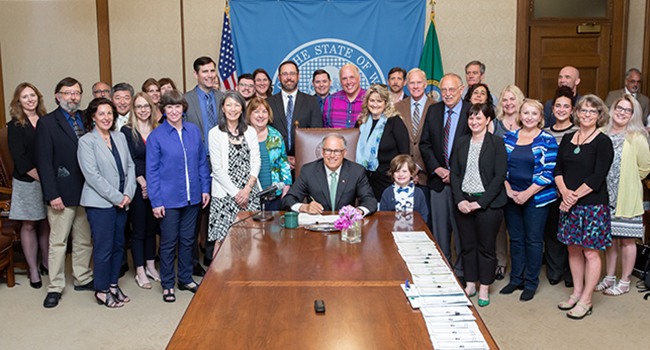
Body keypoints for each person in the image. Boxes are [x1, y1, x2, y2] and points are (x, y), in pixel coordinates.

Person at [147, 90, 211, 302]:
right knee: (168, 242)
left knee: (187, 240)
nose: (174, 111)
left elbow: (202, 161)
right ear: (163, 110)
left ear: (183, 109)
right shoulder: (156, 136)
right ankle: (167, 283)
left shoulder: (193, 131)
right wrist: (156, 201)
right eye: (169, 107)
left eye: (177, 107)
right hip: (169, 199)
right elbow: (152, 172)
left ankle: (185, 278)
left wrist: (205, 188)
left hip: (192, 196)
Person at [36, 77, 94, 308]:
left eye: (76, 93)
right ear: (58, 96)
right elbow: (43, 162)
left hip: (87, 191)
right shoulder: (47, 123)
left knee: (83, 239)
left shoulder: (86, 119)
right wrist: (52, 194)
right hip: (61, 193)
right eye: (67, 93)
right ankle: (55, 286)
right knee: (58, 242)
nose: (73, 97)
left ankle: (83, 277)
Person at [555, 95, 613, 319]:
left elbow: (598, 176)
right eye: (583, 110)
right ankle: (576, 292)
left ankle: (587, 299)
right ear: (576, 113)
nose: (587, 115)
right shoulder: (569, 138)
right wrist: (565, 193)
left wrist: (573, 196)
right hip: (569, 204)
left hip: (592, 206)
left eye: (592, 111)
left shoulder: (603, 141)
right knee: (572, 248)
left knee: (591, 252)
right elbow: (557, 170)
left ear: (599, 116)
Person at [78, 98, 135, 308]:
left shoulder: (119, 137)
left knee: (119, 245)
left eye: (109, 113)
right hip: (100, 203)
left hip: (122, 201)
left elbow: (130, 167)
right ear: (93, 117)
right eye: (101, 113)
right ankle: (101, 290)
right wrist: (118, 197)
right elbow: (92, 177)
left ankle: (113, 284)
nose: (106, 117)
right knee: (104, 248)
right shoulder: (86, 142)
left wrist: (128, 193)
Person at [450, 103, 507, 307]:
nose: (474, 122)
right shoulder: (461, 142)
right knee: (467, 246)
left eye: (479, 118)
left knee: (486, 247)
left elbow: (500, 176)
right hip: (464, 201)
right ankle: (471, 283)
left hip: (488, 204)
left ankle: (485, 286)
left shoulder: (497, 143)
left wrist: (480, 203)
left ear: (488, 120)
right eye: (471, 118)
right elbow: (454, 173)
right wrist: (460, 200)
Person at [500, 99, 558, 301]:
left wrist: (527, 193)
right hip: (511, 197)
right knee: (515, 239)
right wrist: (508, 190)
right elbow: (501, 168)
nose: (529, 117)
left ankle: (531, 283)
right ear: (520, 115)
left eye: (534, 114)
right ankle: (516, 279)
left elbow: (549, 172)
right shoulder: (509, 138)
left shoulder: (548, 140)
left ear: (540, 117)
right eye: (526, 113)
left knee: (533, 240)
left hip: (537, 198)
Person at [597, 94, 650, 296]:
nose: (622, 112)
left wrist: (627, 180)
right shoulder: (602, 132)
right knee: (609, 239)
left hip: (626, 196)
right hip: (604, 196)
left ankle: (625, 280)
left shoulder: (637, 137)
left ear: (633, 114)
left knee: (627, 240)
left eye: (627, 110)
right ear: (613, 108)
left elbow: (645, 167)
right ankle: (609, 277)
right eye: (619, 107)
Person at [419, 73, 471, 280]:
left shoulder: (471, 112)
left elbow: (475, 146)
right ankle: (444, 272)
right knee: (440, 232)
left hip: (464, 183)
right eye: (444, 90)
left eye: (452, 89)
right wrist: (437, 169)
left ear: (462, 89)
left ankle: (461, 272)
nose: (447, 94)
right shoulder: (433, 110)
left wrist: (455, 173)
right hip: (438, 181)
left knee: (462, 231)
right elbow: (425, 144)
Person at [7, 82, 50, 289]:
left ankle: (47, 263)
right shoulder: (15, 125)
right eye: (25, 97)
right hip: (28, 181)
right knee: (30, 224)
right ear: (18, 101)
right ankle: (33, 269)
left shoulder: (46, 120)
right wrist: (45, 178)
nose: (30, 99)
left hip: (48, 178)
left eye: (33, 95)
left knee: (46, 222)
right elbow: (21, 160)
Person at [184, 56, 224, 271]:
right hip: (194, 162)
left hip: (220, 162)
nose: (209, 75)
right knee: (194, 210)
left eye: (212, 71)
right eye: (205, 71)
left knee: (214, 209)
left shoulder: (224, 98)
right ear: (196, 74)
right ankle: (191, 261)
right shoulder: (186, 100)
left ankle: (211, 255)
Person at [208, 90, 262, 251]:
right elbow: (217, 169)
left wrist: (247, 190)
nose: (233, 109)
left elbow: (256, 161)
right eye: (229, 105)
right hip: (225, 194)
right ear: (223, 108)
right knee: (223, 238)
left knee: (251, 237)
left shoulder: (250, 131)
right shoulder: (215, 133)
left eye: (237, 105)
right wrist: (237, 194)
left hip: (249, 192)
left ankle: (248, 275)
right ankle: (219, 276)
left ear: (242, 108)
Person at [282, 133, 377, 215]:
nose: (332, 155)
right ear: (322, 151)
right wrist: (304, 207)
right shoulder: (308, 171)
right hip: (317, 229)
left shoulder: (357, 171)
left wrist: (358, 211)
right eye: (328, 150)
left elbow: (370, 201)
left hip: (345, 226)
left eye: (337, 151)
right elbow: (288, 200)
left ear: (344, 153)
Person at [121, 92, 160, 289]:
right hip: (136, 186)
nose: (143, 110)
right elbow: (128, 160)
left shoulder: (158, 129)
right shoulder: (126, 131)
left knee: (152, 229)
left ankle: (151, 266)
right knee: (138, 230)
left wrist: (152, 185)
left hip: (156, 185)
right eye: (139, 106)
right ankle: (139, 270)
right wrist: (142, 183)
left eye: (146, 106)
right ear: (133, 110)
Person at [543, 86, 578, 287]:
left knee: (572, 234)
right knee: (553, 232)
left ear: (572, 110)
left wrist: (567, 191)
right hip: (548, 192)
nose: (562, 109)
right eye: (558, 106)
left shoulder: (578, 133)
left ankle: (571, 274)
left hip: (571, 192)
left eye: (566, 106)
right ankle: (555, 271)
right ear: (552, 109)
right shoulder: (544, 133)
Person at [489, 85, 525, 280]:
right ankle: (501, 263)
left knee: (520, 227)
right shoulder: (494, 124)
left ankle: (521, 266)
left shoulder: (526, 122)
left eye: (512, 99)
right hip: (499, 183)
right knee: (500, 227)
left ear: (519, 101)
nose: (509, 103)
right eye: (505, 100)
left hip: (523, 185)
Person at [394, 68, 436, 225]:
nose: (415, 86)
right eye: (412, 82)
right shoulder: (397, 107)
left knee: (425, 221)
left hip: (426, 175)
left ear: (425, 84)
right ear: (406, 84)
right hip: (402, 176)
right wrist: (407, 170)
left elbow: (436, 143)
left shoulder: (436, 107)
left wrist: (417, 167)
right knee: (402, 222)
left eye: (419, 82)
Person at [355, 84, 409, 202]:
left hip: (388, 180)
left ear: (386, 103)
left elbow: (405, 154)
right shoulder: (361, 123)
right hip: (365, 180)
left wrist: (399, 177)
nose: (375, 104)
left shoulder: (394, 121)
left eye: (379, 101)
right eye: (372, 100)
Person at [267, 61, 323, 170]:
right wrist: (283, 158)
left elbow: (316, 134)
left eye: (292, 74)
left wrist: (300, 158)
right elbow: (265, 134)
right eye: (285, 74)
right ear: (279, 77)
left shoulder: (312, 101)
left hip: (305, 164)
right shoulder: (268, 103)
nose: (289, 77)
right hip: (276, 164)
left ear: (298, 76)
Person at [246, 97, 291, 210]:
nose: (261, 115)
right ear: (249, 114)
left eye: (264, 111)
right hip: (249, 195)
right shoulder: (243, 136)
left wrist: (286, 186)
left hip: (274, 195)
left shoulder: (276, 136)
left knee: (274, 227)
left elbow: (283, 162)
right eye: (256, 111)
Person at [379, 155, 428, 224]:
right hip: (392, 230)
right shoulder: (387, 193)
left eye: (404, 171)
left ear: (412, 173)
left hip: (415, 231)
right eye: (397, 171)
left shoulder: (419, 193)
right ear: (392, 174)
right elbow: (383, 216)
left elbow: (424, 215)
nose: (401, 174)